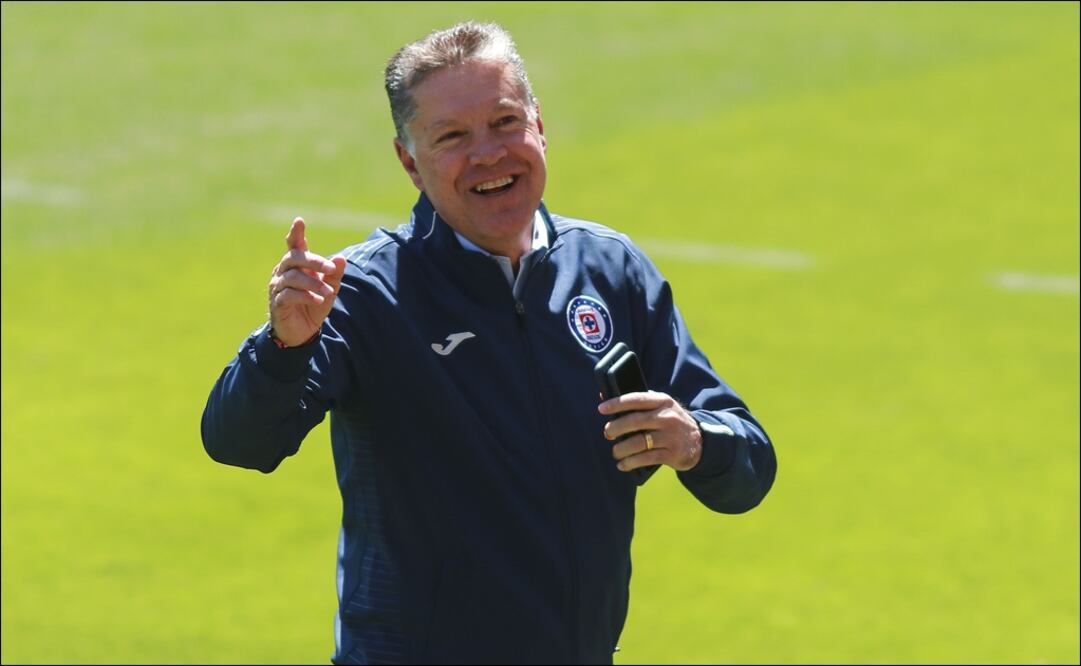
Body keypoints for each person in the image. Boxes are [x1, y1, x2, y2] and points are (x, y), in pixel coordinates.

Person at [202, 21, 776, 665]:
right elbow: (238, 442)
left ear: (539, 124)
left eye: (505, 122)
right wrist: (283, 347)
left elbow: (750, 469)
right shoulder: (364, 293)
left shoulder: (611, 271)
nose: (488, 154)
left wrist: (695, 441)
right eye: (452, 137)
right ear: (409, 163)